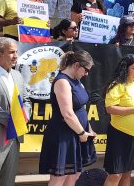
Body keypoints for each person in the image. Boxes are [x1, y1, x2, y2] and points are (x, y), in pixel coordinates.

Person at [39, 50, 96, 184]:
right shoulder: (62, 82)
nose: (87, 74)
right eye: (86, 69)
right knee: (59, 178)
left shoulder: (77, 81)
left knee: (74, 175)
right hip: (63, 134)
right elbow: (67, 113)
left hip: (77, 133)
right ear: (76, 65)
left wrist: (89, 129)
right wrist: (82, 132)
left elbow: (81, 108)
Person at [0, 38, 31, 186]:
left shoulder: (18, 75)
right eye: (11, 52)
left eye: (16, 52)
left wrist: (25, 113)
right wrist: (14, 121)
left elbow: (26, 100)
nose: (16, 56)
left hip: (14, 139)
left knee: (8, 182)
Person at [103, 55, 134, 186]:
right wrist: (133, 110)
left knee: (127, 173)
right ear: (125, 68)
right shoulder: (117, 85)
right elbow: (110, 109)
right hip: (120, 135)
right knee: (115, 174)